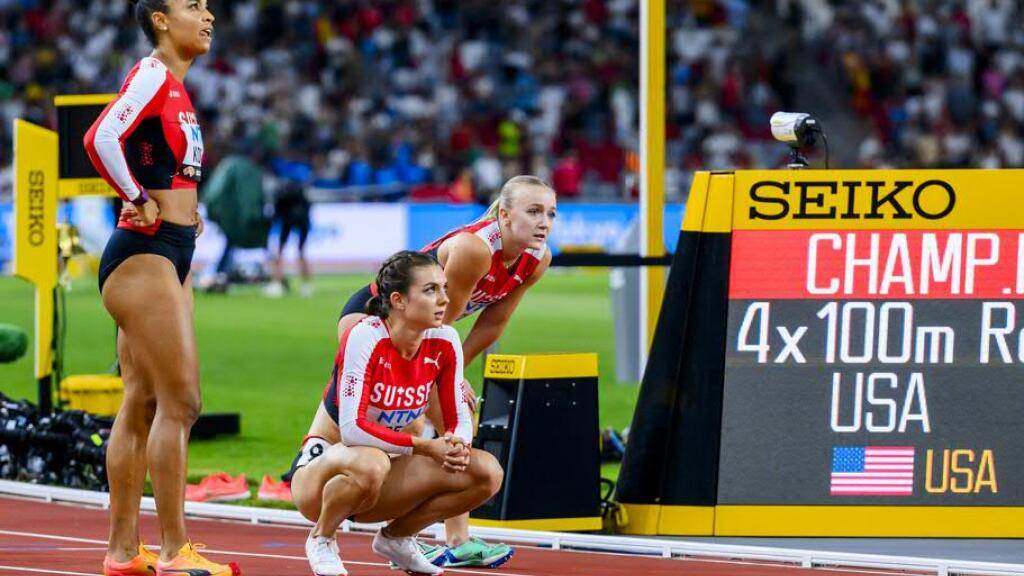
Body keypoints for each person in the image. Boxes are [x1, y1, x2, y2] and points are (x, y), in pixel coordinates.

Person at [83, 1, 240, 574]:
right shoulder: (152, 73)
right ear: (159, 19)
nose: (208, 14)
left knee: (143, 401)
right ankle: (176, 551)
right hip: (143, 254)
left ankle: (123, 552)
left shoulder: (175, 86)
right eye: (192, 5)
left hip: (169, 250)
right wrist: (135, 195)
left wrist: (181, 215)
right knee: (183, 401)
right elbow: (100, 138)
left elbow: (162, 162)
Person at [337, 175, 556, 568]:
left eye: (551, 214)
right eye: (534, 211)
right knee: (402, 415)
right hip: (375, 320)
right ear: (505, 216)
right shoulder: (475, 249)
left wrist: (454, 373)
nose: (544, 222)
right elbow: (436, 320)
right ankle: (334, 491)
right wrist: (448, 377)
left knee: (455, 417)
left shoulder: (537, 259)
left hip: (428, 334)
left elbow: (493, 323)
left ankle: (450, 539)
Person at [291, 251, 504, 576]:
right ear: (398, 300)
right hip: (322, 478)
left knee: (487, 472)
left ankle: (398, 538)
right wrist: (426, 447)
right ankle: (322, 538)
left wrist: (458, 444)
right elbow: (353, 429)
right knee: (371, 461)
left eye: (444, 289)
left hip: (384, 476)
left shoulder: (445, 341)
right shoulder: (365, 336)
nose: (445, 300)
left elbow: (458, 416)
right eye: (431, 290)